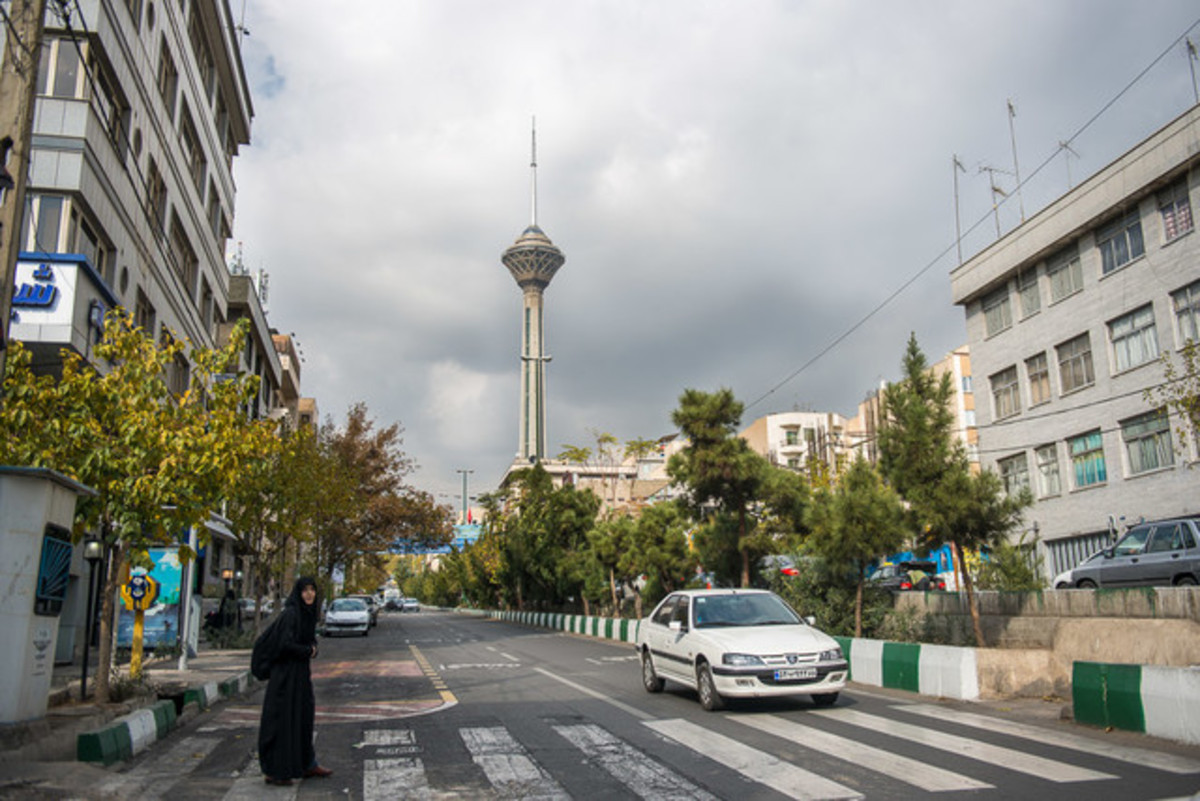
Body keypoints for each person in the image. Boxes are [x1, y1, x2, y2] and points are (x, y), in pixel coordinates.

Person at [257, 576, 332, 785]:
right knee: (282, 721)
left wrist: (311, 648)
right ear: (298, 593)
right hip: (284, 677)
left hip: (299, 675)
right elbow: (284, 645)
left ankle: (308, 763)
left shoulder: (307, 614)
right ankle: (276, 770)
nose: (309, 594)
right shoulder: (291, 614)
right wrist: (308, 650)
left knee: (303, 717)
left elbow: (307, 639)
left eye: (312, 590)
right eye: (305, 590)